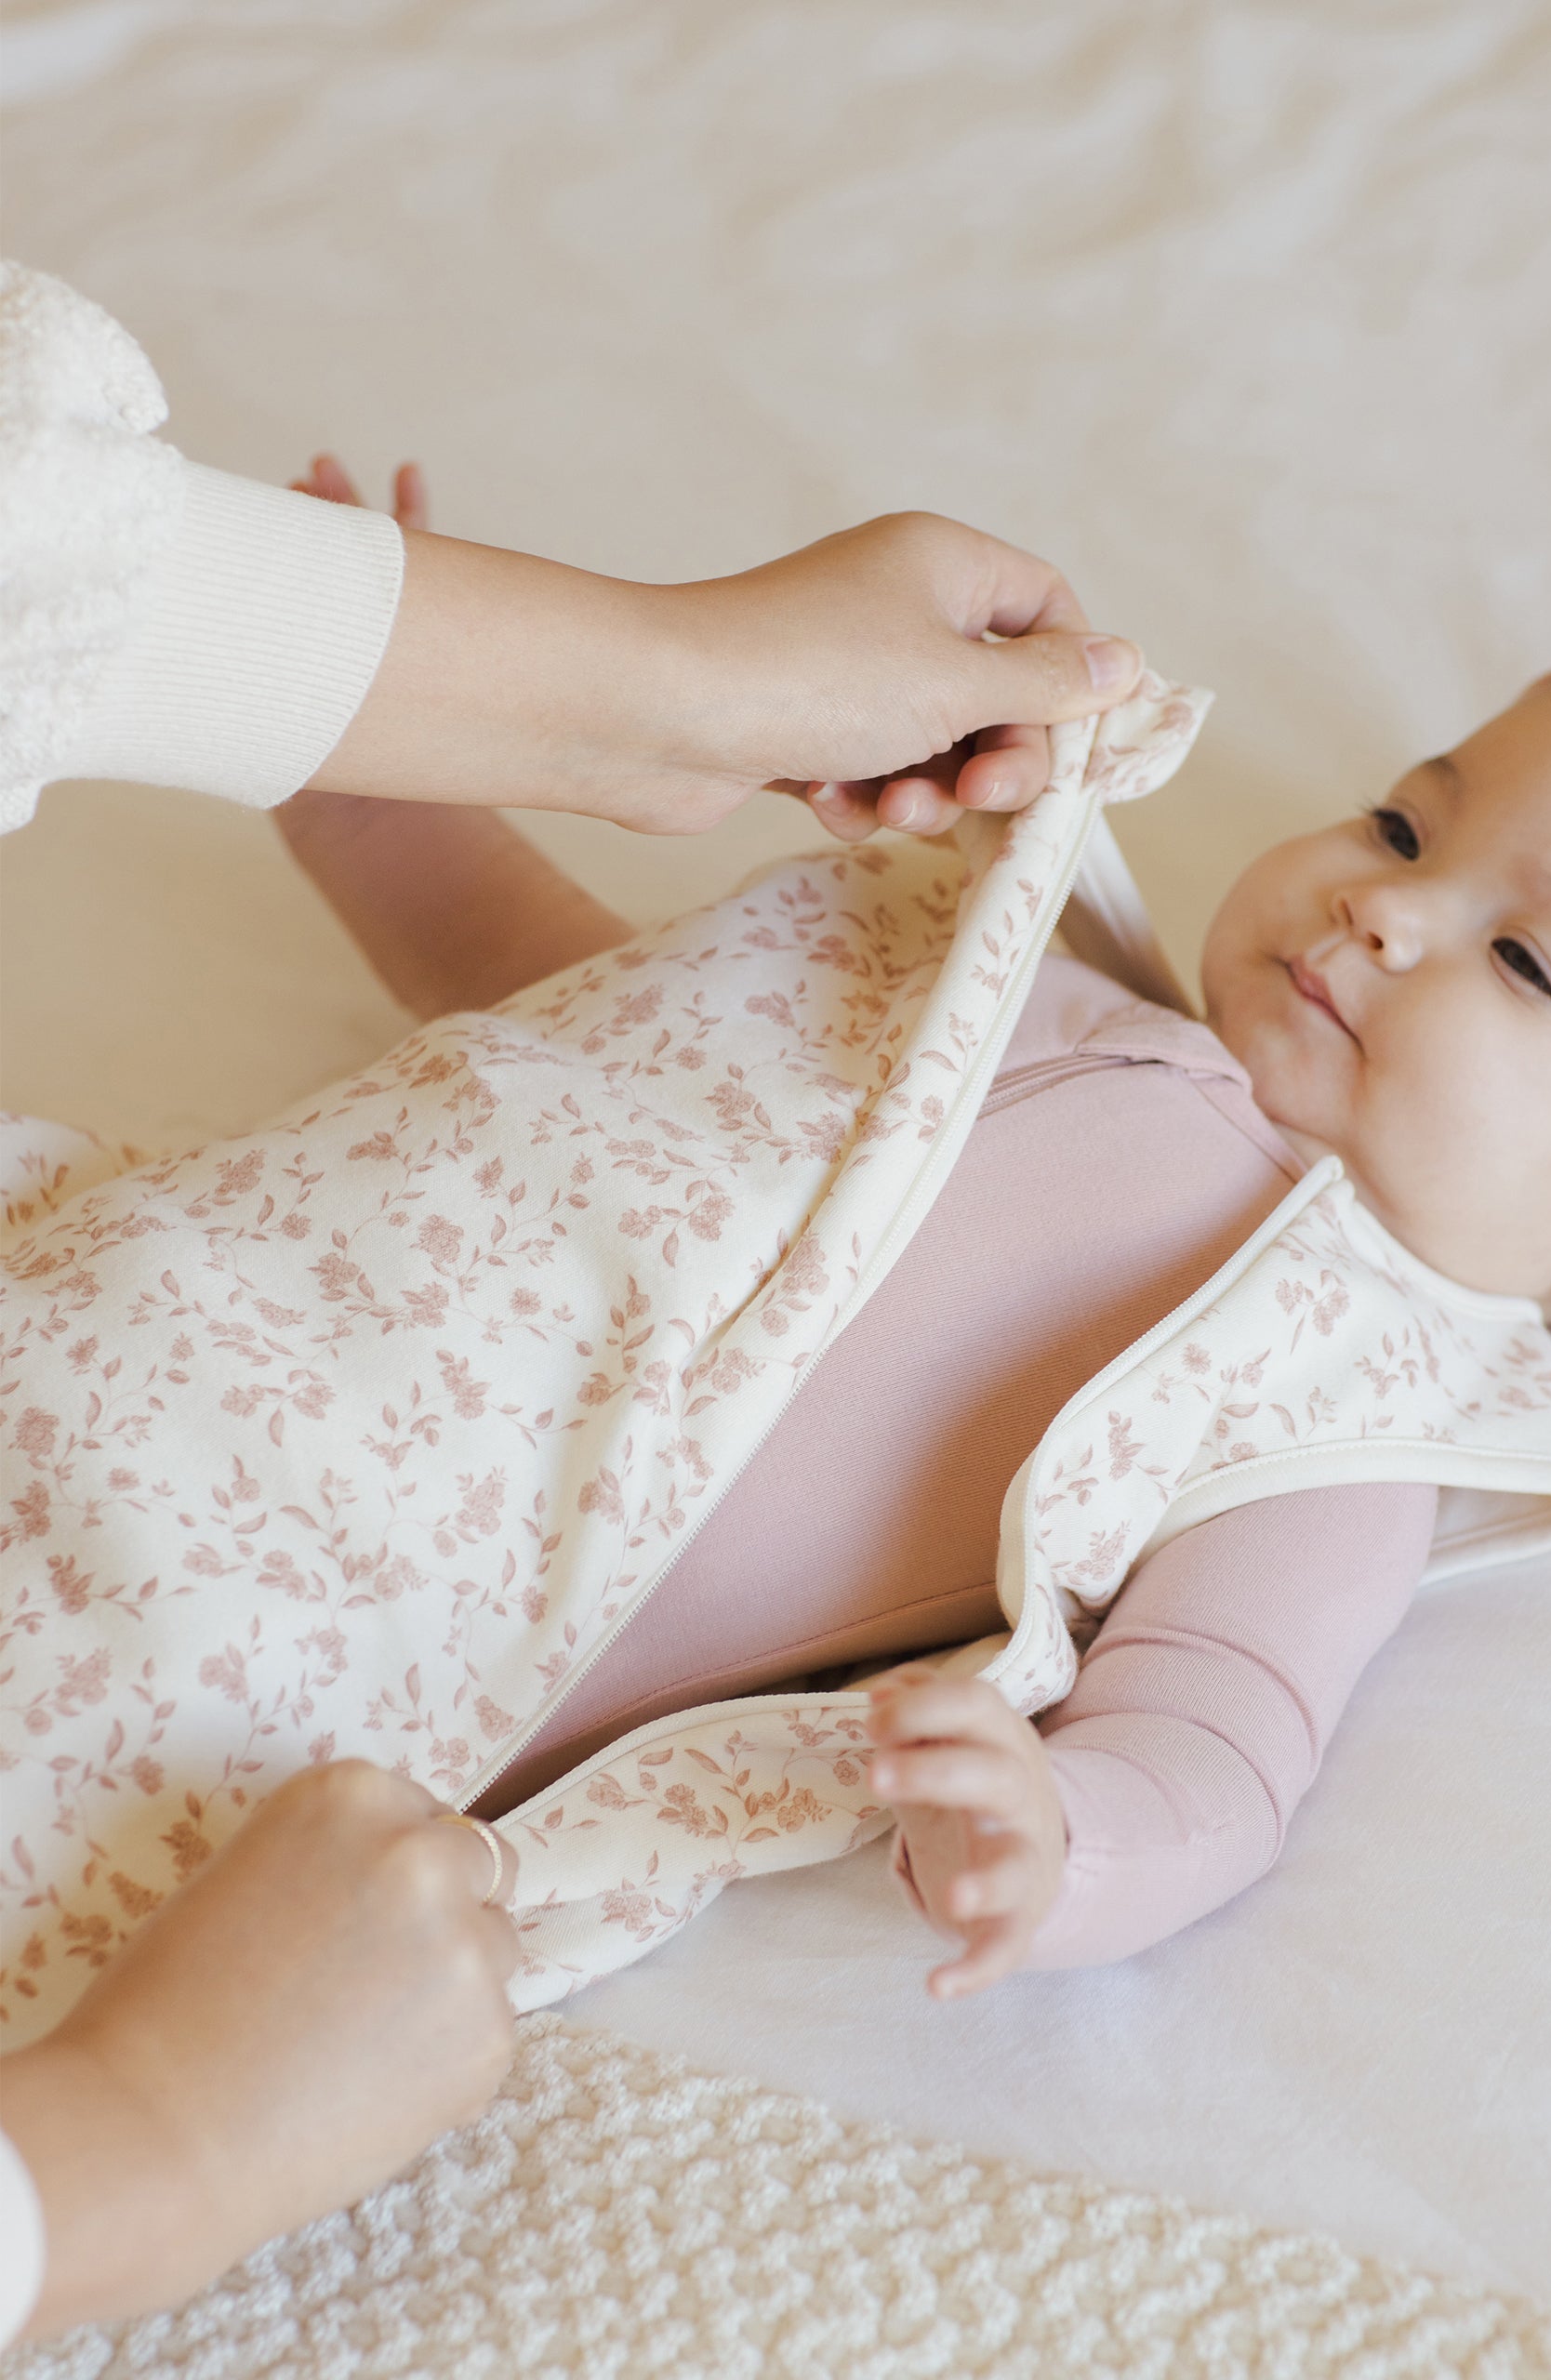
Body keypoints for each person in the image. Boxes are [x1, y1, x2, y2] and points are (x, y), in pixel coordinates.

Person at [0, 259, 1145, 2346]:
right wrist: (388, 785)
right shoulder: (1002, 975)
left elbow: (1233, 1725)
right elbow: (575, 1036)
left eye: (1537, 963)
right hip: (153, 1314)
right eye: (1415, 817)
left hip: (275, 1602)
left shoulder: (1349, 1350)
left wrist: (1072, 1839)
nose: (1396, 913)